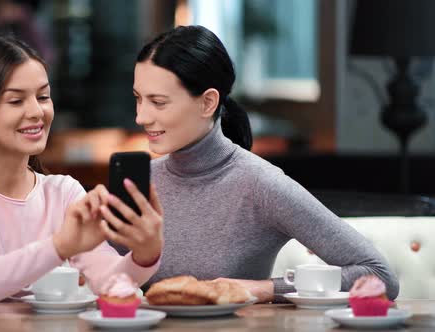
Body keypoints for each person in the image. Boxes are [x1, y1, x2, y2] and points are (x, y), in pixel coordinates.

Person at [130, 25, 399, 302]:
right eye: (138, 99)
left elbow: (378, 276)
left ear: (208, 102)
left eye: (158, 102)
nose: (141, 117)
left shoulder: (259, 183)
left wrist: (264, 289)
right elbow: (105, 275)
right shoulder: (140, 180)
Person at [0, 36, 163, 314]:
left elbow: (110, 281)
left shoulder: (63, 193)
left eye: (43, 97)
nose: (36, 112)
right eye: (16, 100)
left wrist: (144, 254)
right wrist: (57, 247)